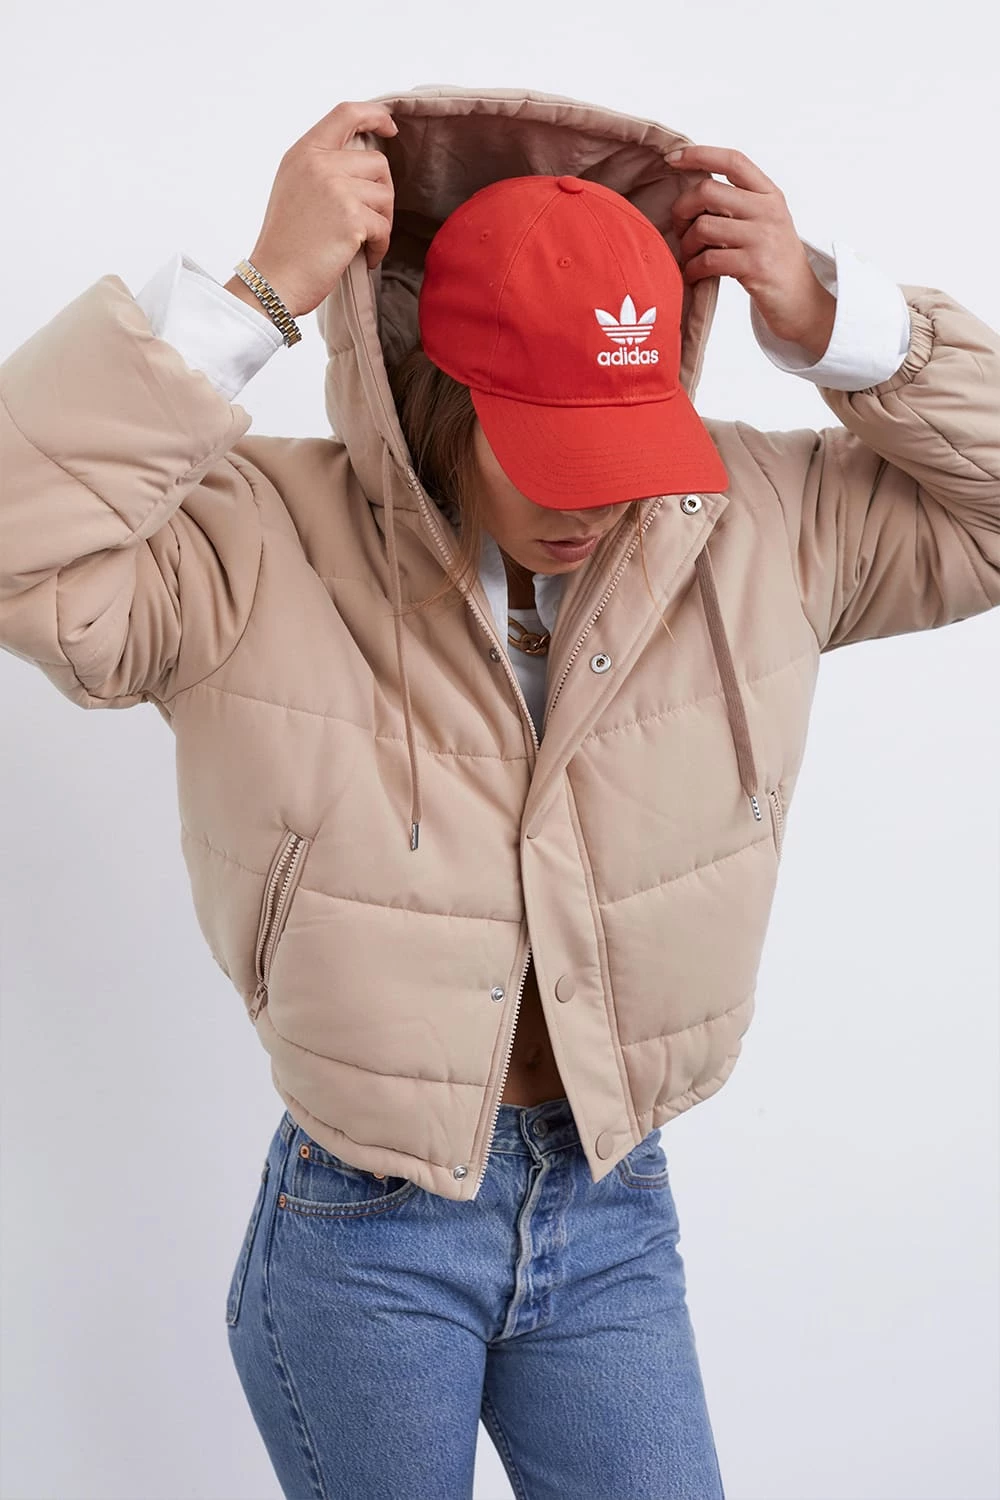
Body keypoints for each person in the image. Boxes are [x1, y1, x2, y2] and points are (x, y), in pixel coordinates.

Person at [1, 83, 997, 1500]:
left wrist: (843, 319)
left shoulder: (753, 521)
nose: (591, 503)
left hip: (614, 1205)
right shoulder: (252, 543)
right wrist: (256, 296)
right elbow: (19, 541)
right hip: (362, 1234)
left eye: (620, 445)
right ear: (442, 389)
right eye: (549, 450)